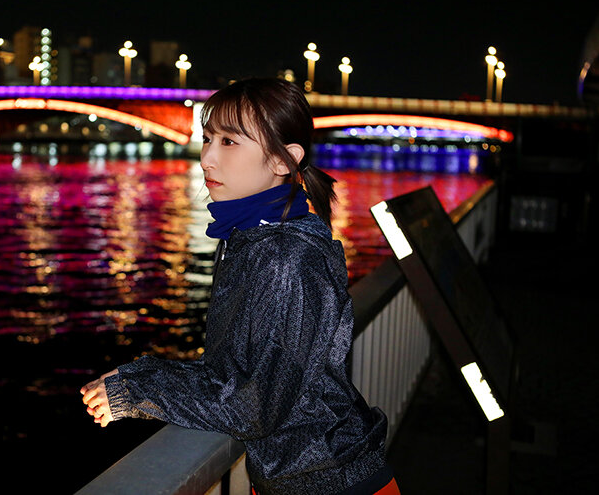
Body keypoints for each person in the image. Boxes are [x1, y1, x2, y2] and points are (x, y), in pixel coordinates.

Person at [81, 78, 399, 495]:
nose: (206, 158)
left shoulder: (287, 257)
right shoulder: (250, 238)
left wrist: (136, 388)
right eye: (207, 138)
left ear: (284, 160)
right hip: (298, 479)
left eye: (229, 142)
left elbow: (256, 405)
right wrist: (139, 377)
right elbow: (238, 371)